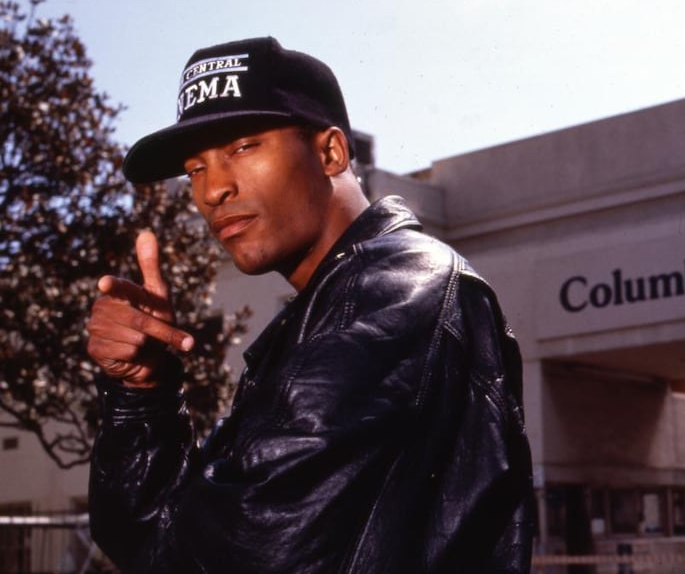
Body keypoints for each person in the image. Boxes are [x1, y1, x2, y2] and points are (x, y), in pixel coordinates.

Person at [85, 37, 534, 573]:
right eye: (195, 168)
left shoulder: (391, 299)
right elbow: (155, 544)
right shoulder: (332, 307)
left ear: (331, 153)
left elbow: (206, 559)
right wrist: (141, 391)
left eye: (243, 146)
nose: (212, 190)